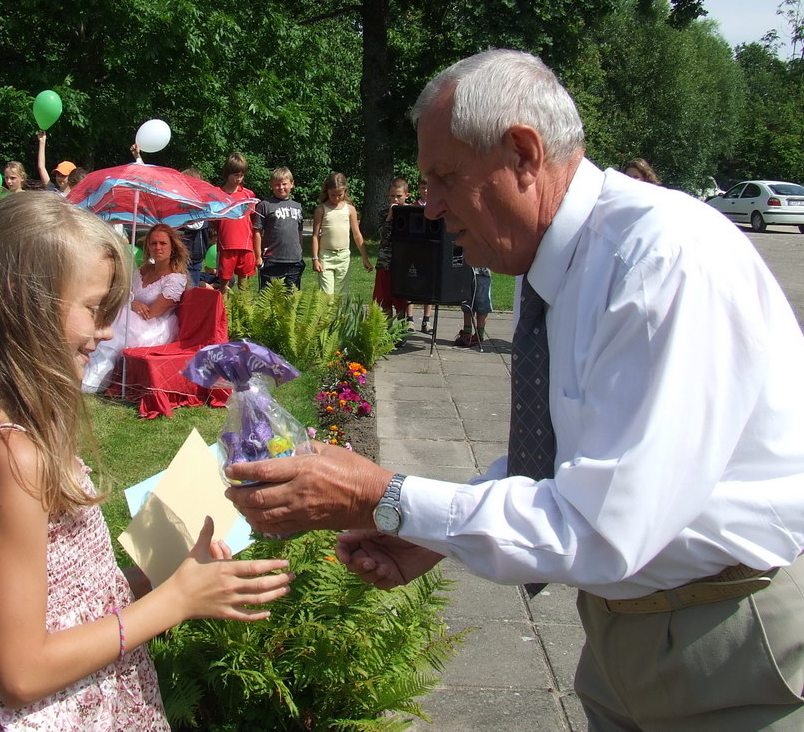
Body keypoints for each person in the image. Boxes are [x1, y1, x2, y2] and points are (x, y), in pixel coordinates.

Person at [225, 49, 804, 730]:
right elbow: (561, 461)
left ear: (524, 155)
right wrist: (431, 532)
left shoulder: (659, 261)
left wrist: (383, 497)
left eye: (445, 177)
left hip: (731, 649)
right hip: (629, 631)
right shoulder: (558, 262)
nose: (430, 207)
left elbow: (604, 526)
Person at [0, 194, 292, 730]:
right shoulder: (11, 457)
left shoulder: (16, 437)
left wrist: (162, 574)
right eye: (95, 309)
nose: (104, 331)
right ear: (18, 301)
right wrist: (176, 602)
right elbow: (21, 672)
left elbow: (71, 602)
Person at [81, 223, 190, 394]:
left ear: (172, 248)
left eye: (163, 243)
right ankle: (84, 366)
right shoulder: (143, 270)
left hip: (153, 327)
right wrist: (132, 303)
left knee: (120, 321)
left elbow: (152, 313)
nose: (158, 247)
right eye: (153, 243)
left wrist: (131, 304)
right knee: (113, 315)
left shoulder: (176, 279)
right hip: (131, 317)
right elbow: (124, 295)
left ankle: (96, 378)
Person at [311, 172, 372, 295]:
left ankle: (341, 309)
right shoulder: (321, 209)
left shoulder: (350, 209)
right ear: (327, 191)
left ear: (345, 191)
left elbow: (357, 235)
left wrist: (365, 258)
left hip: (343, 257)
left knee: (342, 295)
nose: (336, 198)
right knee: (327, 296)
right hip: (326, 257)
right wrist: (315, 258)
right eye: (332, 195)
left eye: (340, 194)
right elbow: (315, 236)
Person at [254, 167, 305, 291]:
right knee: (270, 296)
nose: (281, 187)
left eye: (284, 184)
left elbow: (299, 232)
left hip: (294, 260)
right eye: (277, 184)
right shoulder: (264, 205)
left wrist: (300, 251)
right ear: (271, 185)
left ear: (292, 184)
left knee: (291, 296)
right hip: (272, 260)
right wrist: (258, 256)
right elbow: (257, 232)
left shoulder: (297, 207)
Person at [214, 153, 257, 296]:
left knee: (244, 285)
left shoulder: (249, 195)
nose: (238, 178)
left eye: (241, 175)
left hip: (245, 246)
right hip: (226, 246)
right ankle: (224, 308)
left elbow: (253, 219)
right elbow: (213, 221)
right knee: (224, 284)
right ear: (227, 173)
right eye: (235, 175)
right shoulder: (217, 193)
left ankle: (244, 309)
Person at [371, 177, 413, 323]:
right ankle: (387, 328)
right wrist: (389, 217)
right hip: (385, 262)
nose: (395, 199)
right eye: (392, 196)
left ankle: (400, 328)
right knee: (384, 299)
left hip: (403, 263)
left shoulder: (412, 213)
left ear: (407, 195)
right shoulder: (384, 214)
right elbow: (384, 237)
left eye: (399, 196)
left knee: (401, 301)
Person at [415, 176, 435, 332]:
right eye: (423, 188)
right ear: (418, 189)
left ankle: (426, 320)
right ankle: (409, 319)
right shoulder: (414, 207)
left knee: (430, 286)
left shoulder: (437, 206)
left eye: (429, 187)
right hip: (416, 250)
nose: (426, 191)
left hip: (432, 251)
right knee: (412, 284)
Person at [455, 267, 492, 347]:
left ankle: (479, 335)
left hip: (483, 272)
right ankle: (467, 333)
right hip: (466, 270)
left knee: (482, 303)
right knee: (466, 302)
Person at [36, 131, 75, 196]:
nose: (59, 178)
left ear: (72, 177)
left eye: (63, 175)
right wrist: (42, 142)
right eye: (58, 175)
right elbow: (41, 167)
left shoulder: (77, 196)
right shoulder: (53, 192)